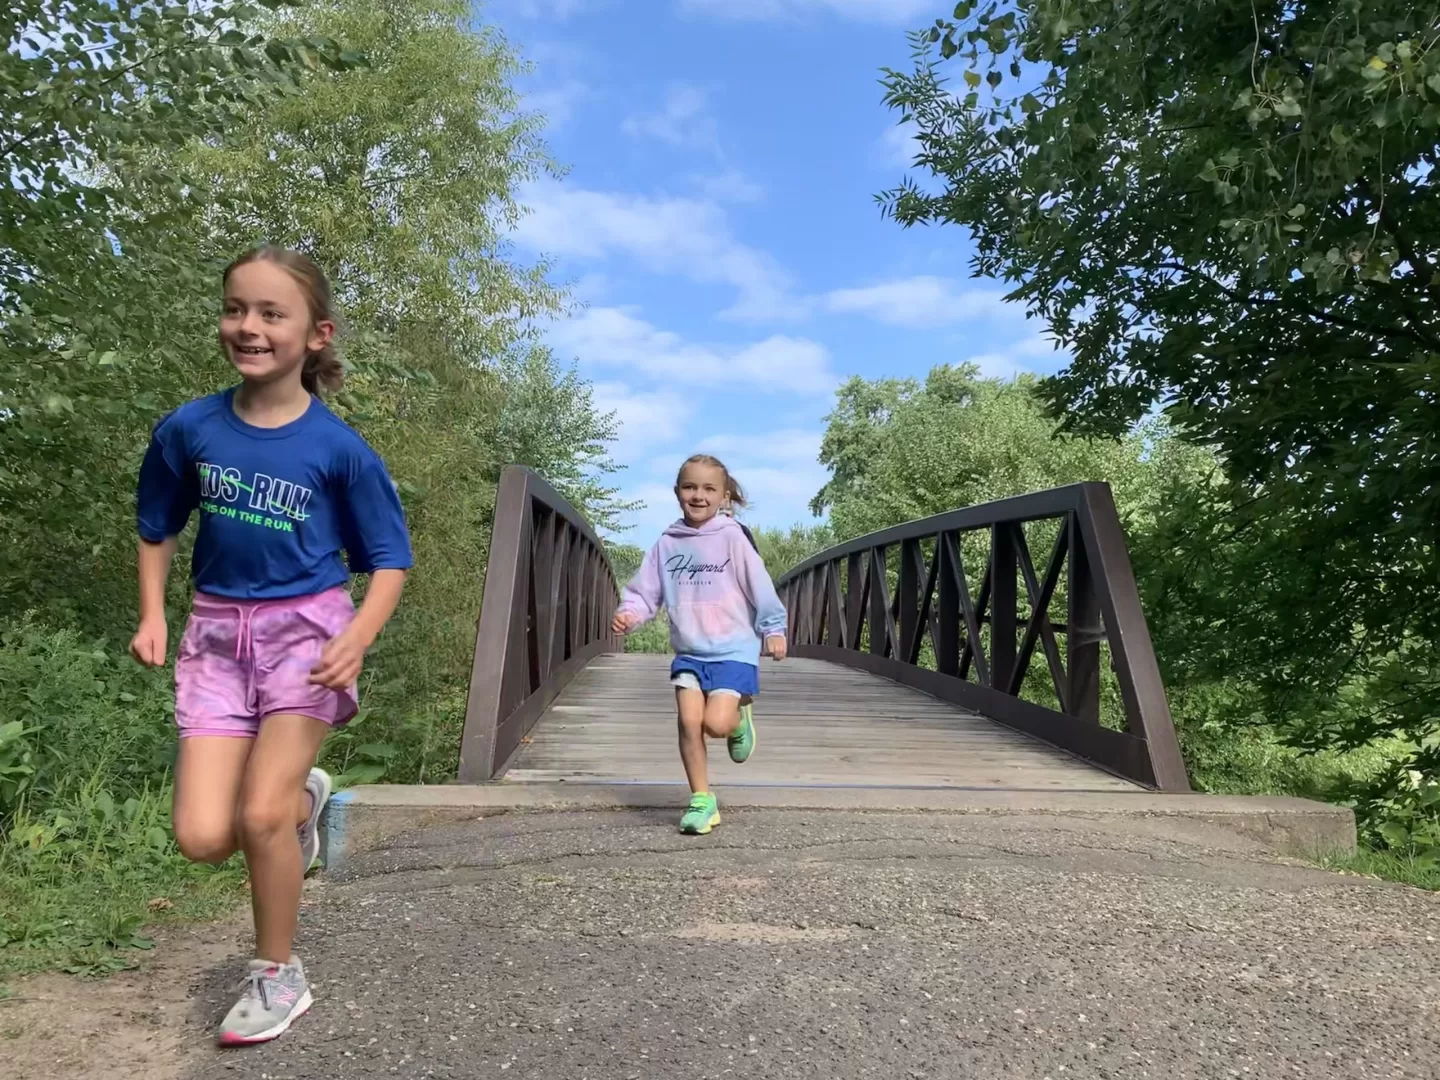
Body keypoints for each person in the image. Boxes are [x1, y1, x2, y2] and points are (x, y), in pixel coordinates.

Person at [129, 246, 412, 1046]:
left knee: (257, 815)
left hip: (308, 632)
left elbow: (390, 558)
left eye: (270, 313)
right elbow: (158, 526)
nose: (247, 327)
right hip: (216, 637)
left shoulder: (340, 449)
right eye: (235, 309)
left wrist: (356, 638)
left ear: (316, 335)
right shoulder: (190, 428)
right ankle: (305, 800)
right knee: (202, 837)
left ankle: (277, 977)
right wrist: (152, 614)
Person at [611, 455, 787, 834]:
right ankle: (702, 800)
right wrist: (630, 613)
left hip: (734, 649)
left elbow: (761, 587)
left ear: (724, 496)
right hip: (689, 651)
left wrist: (773, 628)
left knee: (715, 725)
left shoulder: (732, 538)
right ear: (677, 493)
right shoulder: (667, 543)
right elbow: (646, 591)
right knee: (689, 723)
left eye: (709, 489)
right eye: (690, 487)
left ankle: (739, 714)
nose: (698, 496)